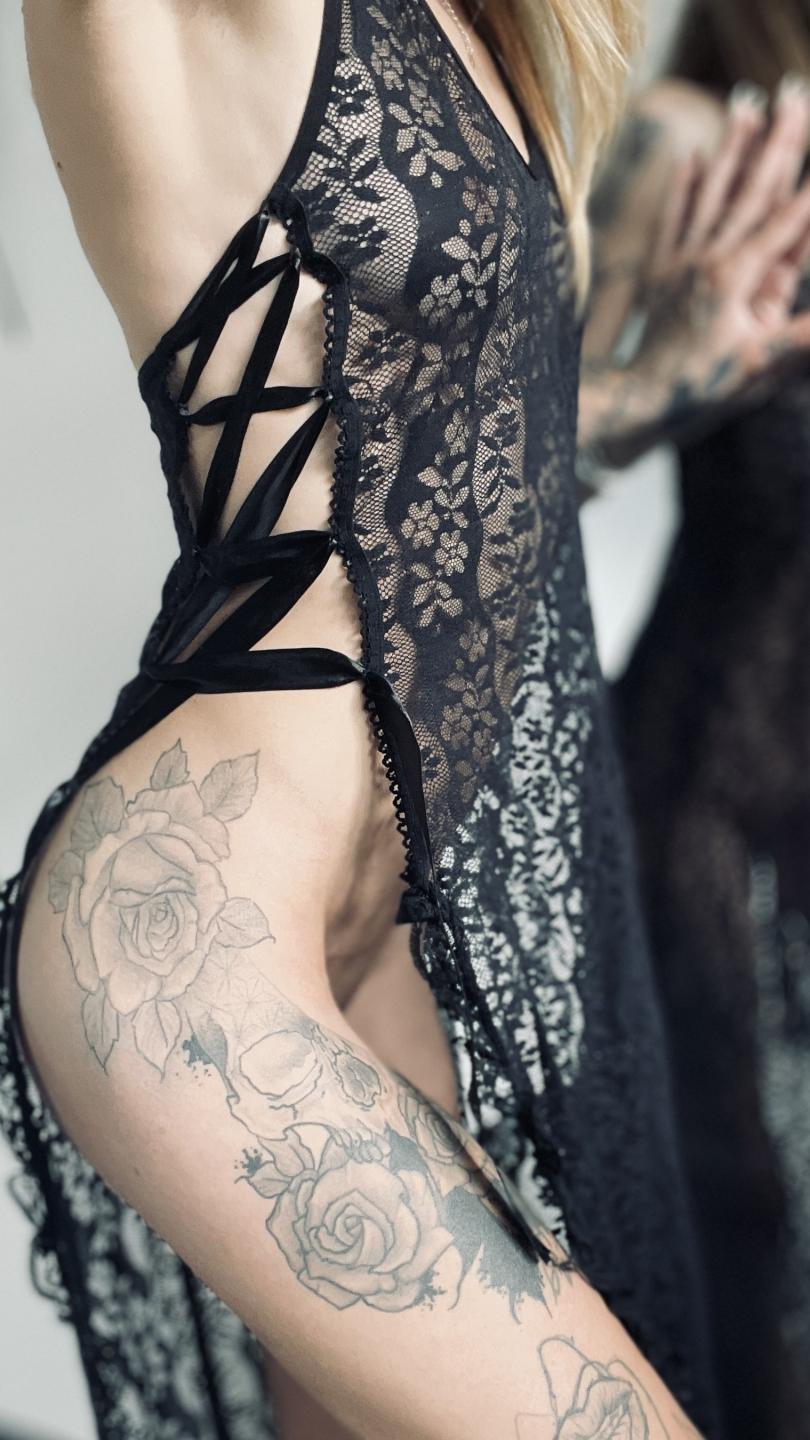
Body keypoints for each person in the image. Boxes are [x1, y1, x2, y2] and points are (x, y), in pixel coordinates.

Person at [3, 2, 806, 1436]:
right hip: (200, 934)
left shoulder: (478, 28)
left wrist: (668, 376)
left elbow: (439, 499)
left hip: (376, 934)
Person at [580, 8, 810, 1437]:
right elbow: (522, 452)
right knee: (748, 1256)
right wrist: (674, 366)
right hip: (712, 807)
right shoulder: (690, 139)